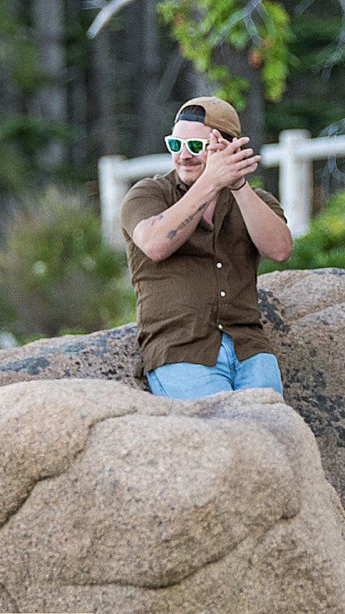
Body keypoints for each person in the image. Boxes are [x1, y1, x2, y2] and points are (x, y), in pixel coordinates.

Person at [121, 96, 293, 399]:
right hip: (181, 350)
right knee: (221, 437)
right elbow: (154, 243)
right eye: (176, 145)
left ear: (229, 147)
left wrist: (238, 185)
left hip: (249, 348)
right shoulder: (148, 193)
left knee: (271, 438)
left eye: (196, 147)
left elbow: (280, 250)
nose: (183, 156)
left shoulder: (254, 200)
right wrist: (210, 183)